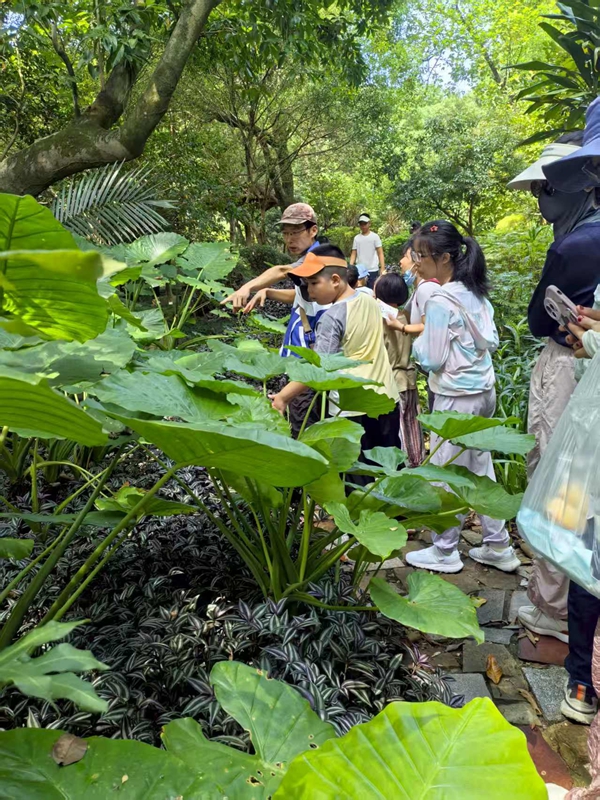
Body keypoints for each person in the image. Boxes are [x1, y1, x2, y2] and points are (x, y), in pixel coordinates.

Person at [508, 126, 600, 642]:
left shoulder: (579, 242)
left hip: (570, 366)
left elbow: (541, 321)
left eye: (546, 189)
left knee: (557, 475)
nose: (541, 200)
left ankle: (553, 605)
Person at [399, 220, 521, 574]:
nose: (417, 262)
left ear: (446, 257)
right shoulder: (475, 293)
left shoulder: (440, 300)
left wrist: (415, 343)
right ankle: (499, 545)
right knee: (481, 468)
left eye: (422, 256)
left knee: (445, 471)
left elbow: (433, 358)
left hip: (455, 396)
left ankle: (445, 550)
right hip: (484, 391)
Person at [269, 245, 399, 471]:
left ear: (336, 280)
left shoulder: (332, 317)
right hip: (387, 400)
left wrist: (283, 397)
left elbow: (319, 368)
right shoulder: (368, 298)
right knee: (390, 472)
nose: (309, 292)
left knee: (358, 482)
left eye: (314, 283)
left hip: (352, 409)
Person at [374, 272, 425, 467]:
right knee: (412, 424)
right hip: (409, 378)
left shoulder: (383, 319)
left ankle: (402, 468)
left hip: (392, 380)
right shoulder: (404, 317)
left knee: (399, 429)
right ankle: (417, 463)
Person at [349, 213, 385, 290]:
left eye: (365, 223)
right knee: (359, 291)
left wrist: (382, 268)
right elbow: (354, 253)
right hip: (360, 271)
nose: (363, 226)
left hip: (372, 270)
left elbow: (380, 253)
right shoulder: (357, 238)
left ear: (369, 223)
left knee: (372, 291)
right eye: (361, 224)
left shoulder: (375, 237)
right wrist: (350, 267)